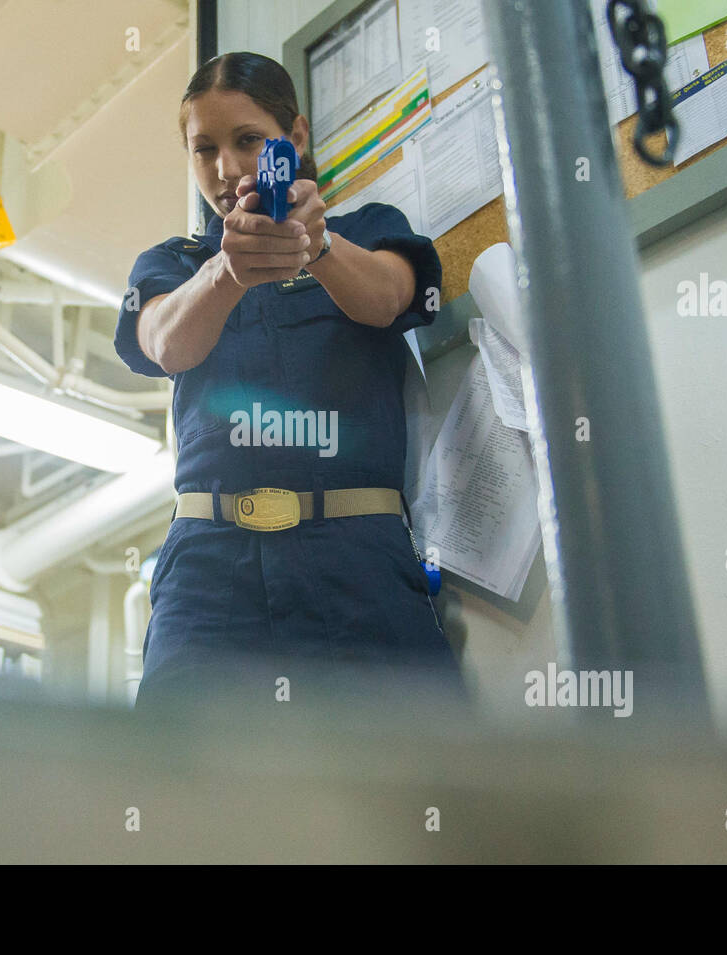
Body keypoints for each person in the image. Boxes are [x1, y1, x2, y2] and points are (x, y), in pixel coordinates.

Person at [114, 51, 466, 713]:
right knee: (177, 792)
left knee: (424, 781)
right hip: (209, 572)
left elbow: (391, 296)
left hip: (358, 562)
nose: (226, 169)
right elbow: (161, 342)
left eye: (248, 140)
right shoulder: (176, 263)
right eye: (204, 149)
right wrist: (227, 272)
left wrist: (319, 246)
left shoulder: (367, 230)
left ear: (294, 137)